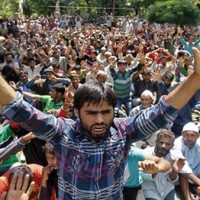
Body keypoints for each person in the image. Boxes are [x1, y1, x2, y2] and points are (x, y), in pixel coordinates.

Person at [0, 48, 200, 199]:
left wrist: (196, 78)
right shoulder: (62, 132)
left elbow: (161, 113)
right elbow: (20, 110)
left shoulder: (124, 131)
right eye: (91, 113)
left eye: (106, 112)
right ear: (77, 112)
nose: (99, 120)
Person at [141, 129, 188, 200]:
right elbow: (142, 177)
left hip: (166, 188)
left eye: (168, 144)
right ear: (156, 142)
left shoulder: (174, 156)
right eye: (161, 142)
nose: (163, 146)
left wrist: (175, 171)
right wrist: (154, 170)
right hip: (149, 188)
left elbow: (171, 179)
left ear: (172, 146)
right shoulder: (145, 154)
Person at [174, 122, 200, 200]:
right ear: (182, 134)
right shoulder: (177, 143)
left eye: (192, 135)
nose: (189, 138)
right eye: (186, 135)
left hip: (197, 173)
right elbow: (184, 168)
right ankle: (187, 198)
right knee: (183, 172)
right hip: (182, 175)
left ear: (198, 135)